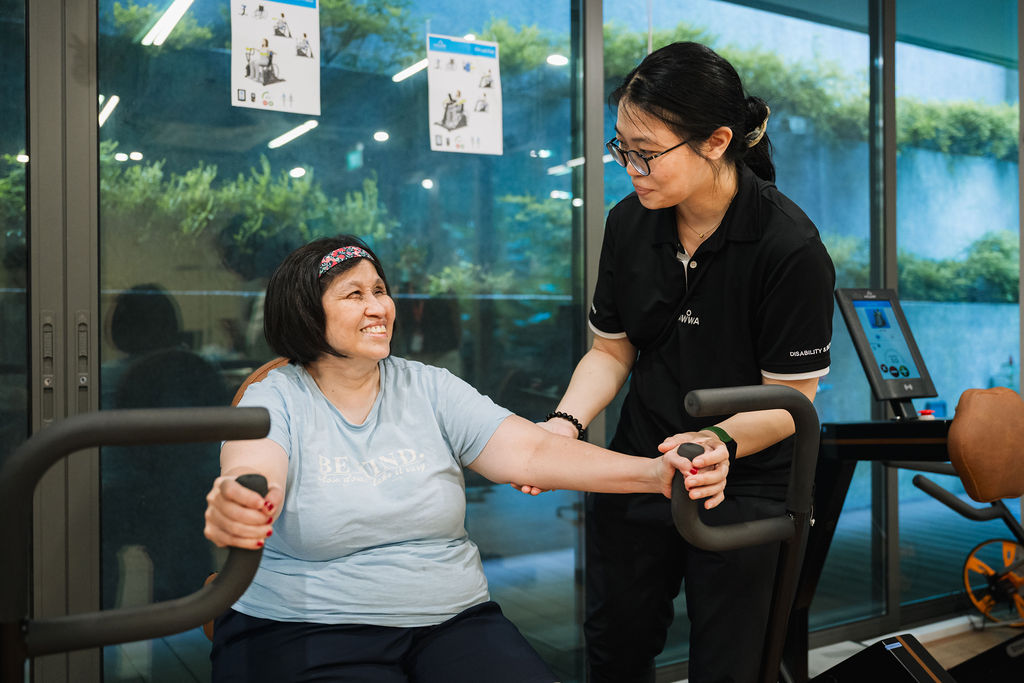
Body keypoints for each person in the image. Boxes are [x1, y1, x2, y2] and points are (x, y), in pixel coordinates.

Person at [202, 235, 729, 683]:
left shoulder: (426, 385)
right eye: (354, 294)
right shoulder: (276, 394)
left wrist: (657, 473)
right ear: (305, 312)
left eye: (381, 291)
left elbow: (531, 451)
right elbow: (253, 467)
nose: (378, 307)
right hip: (307, 627)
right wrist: (243, 499)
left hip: (453, 621)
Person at [537, 42, 836, 682]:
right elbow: (611, 349)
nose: (631, 168)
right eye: (622, 148)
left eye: (646, 153)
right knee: (616, 644)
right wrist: (563, 424)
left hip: (747, 478)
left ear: (716, 141)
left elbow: (792, 397)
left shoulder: (790, 248)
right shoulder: (629, 224)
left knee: (729, 661)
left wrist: (720, 441)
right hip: (643, 458)